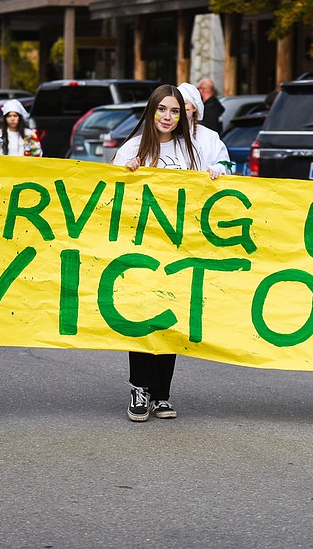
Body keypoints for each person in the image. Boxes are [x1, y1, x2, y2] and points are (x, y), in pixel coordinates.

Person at [112, 84, 224, 422]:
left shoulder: (190, 150)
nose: (168, 117)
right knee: (142, 318)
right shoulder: (133, 147)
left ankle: (162, 394)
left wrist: (216, 175)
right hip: (141, 249)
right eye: (162, 109)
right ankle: (139, 389)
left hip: (178, 250)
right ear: (152, 110)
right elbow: (108, 194)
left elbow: (208, 187)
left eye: (175, 111)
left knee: (169, 319)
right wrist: (125, 173)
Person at [177, 82, 232, 175]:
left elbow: (226, 165)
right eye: (177, 104)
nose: (180, 108)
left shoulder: (210, 136)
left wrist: (214, 170)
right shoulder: (165, 135)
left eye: (184, 103)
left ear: (194, 107)